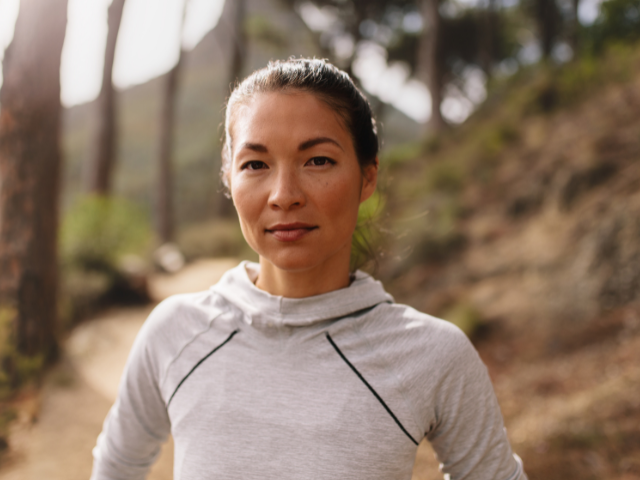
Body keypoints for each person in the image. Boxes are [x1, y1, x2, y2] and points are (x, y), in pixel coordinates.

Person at [90, 58, 527, 480]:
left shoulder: (433, 356)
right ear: (228, 177)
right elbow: (115, 467)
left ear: (368, 175)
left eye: (317, 160)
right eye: (255, 164)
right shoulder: (176, 332)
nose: (284, 195)